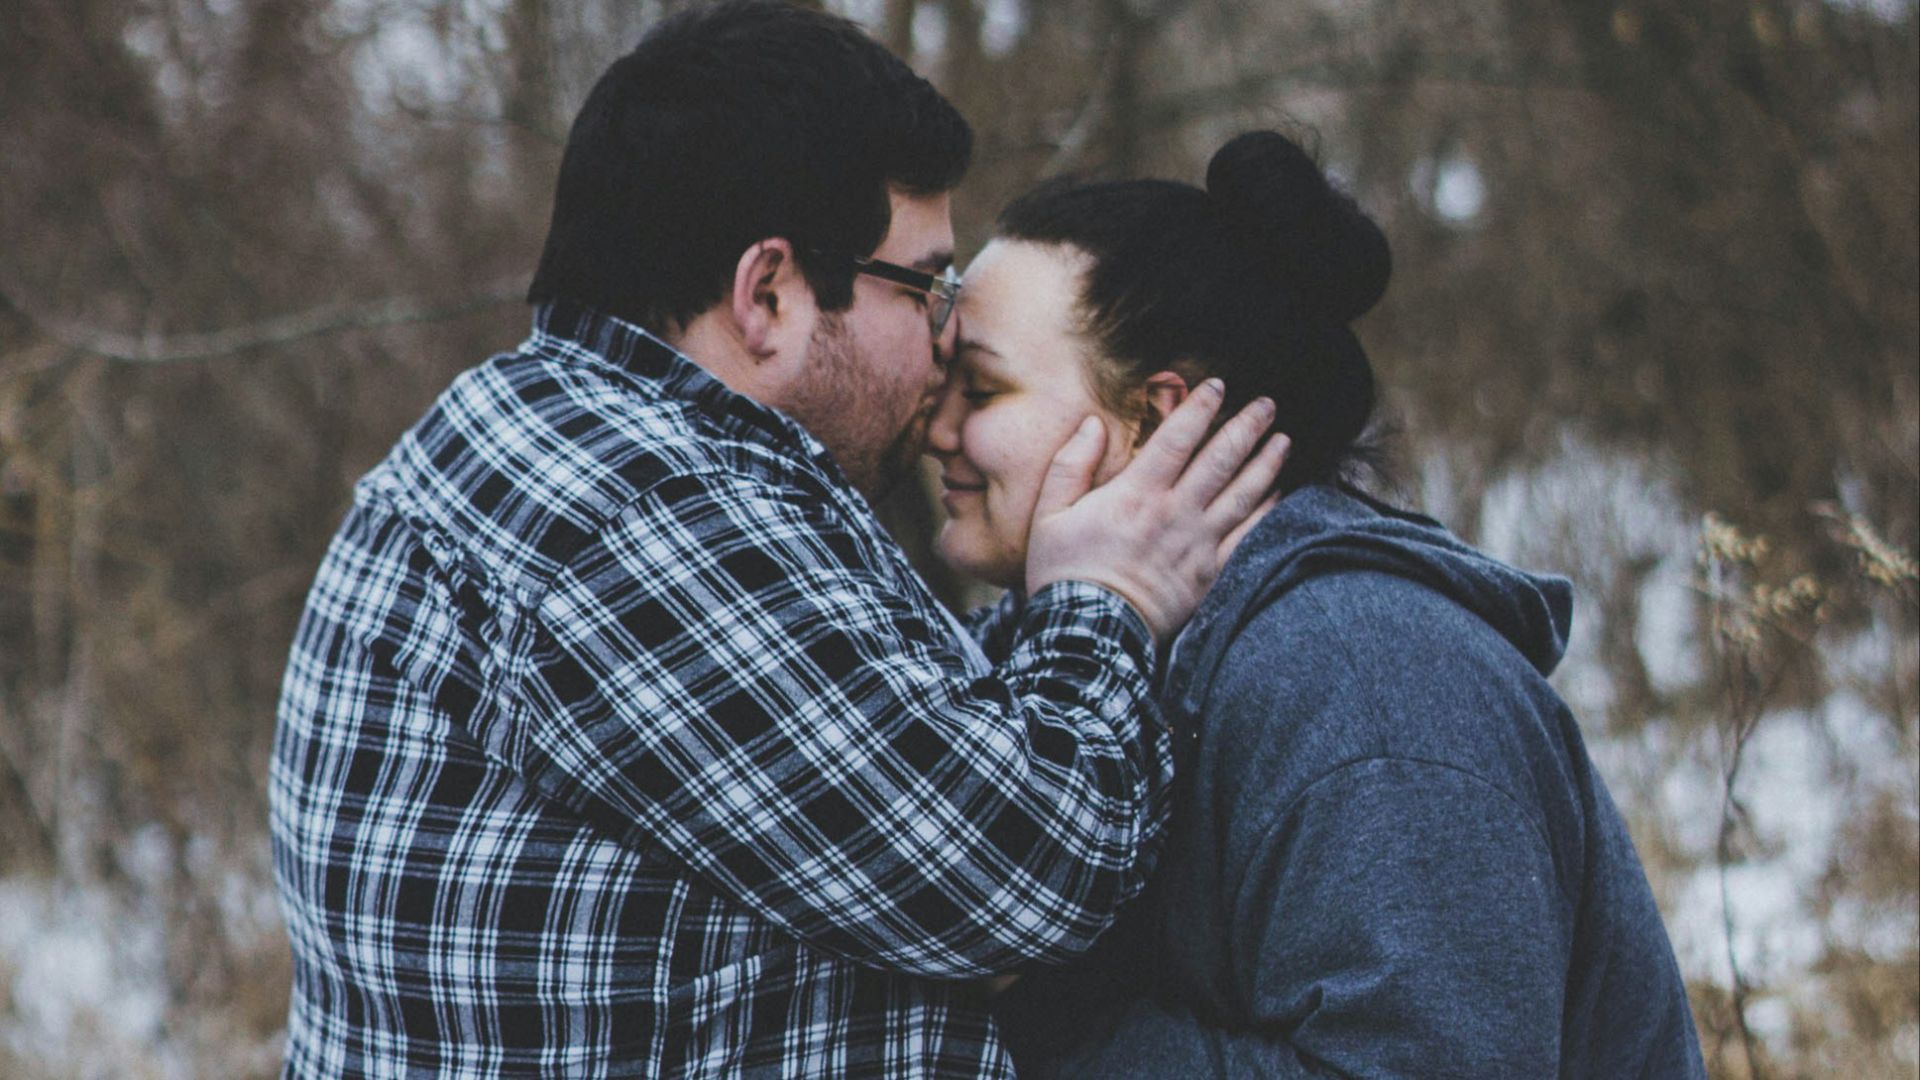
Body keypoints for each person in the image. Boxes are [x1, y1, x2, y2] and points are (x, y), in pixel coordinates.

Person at [267, 3, 1286, 1077]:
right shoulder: (636, 514)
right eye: (926, 287)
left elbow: (890, 731)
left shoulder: (562, 445)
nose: (942, 347)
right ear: (768, 295)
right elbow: (1029, 868)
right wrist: (1107, 598)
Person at [929, 131, 1708, 1077]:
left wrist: (1037, 1012)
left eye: (980, 387)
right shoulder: (1089, 653)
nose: (935, 429)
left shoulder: (1366, 675)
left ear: (1159, 414)